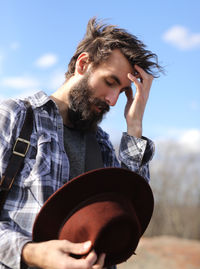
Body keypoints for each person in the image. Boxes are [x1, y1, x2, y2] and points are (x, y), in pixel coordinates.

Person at [0, 18, 162, 269]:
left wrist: (135, 127)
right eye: (110, 82)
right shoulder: (16, 117)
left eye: (121, 91)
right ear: (83, 64)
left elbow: (130, 212)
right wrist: (31, 252)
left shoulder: (103, 146)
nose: (112, 100)